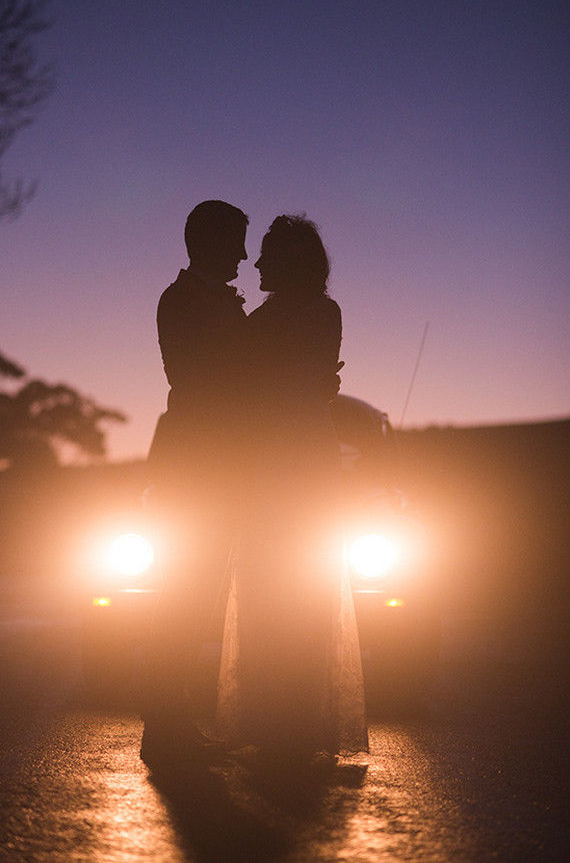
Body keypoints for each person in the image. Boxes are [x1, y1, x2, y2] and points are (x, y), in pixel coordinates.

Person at [216, 214, 368, 770]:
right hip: (291, 455)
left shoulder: (286, 317)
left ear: (291, 262)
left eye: (267, 255)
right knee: (275, 588)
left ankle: (290, 721)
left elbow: (258, 387)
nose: (256, 264)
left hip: (289, 461)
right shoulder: (311, 314)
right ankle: (282, 719)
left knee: (291, 588)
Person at [141, 199, 249, 771]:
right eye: (236, 241)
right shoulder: (181, 300)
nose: (244, 254)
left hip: (218, 470)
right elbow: (199, 380)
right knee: (183, 597)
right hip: (200, 471)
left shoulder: (210, 301)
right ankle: (164, 727)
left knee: (196, 598)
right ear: (208, 242)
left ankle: (172, 719)